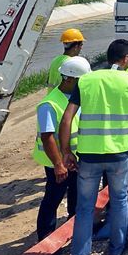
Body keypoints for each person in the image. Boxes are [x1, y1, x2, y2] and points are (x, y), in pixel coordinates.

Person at [59, 39, 128, 255]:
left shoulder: (86, 80)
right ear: (127, 58)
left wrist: (66, 152)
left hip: (88, 156)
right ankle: (116, 250)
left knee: (85, 209)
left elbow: (67, 120)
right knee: (120, 201)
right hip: (119, 155)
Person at [32, 56, 92, 240]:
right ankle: (45, 237)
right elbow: (47, 136)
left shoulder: (76, 97)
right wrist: (58, 164)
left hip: (74, 158)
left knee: (75, 193)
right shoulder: (49, 104)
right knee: (53, 198)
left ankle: (74, 228)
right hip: (57, 162)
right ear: (69, 79)